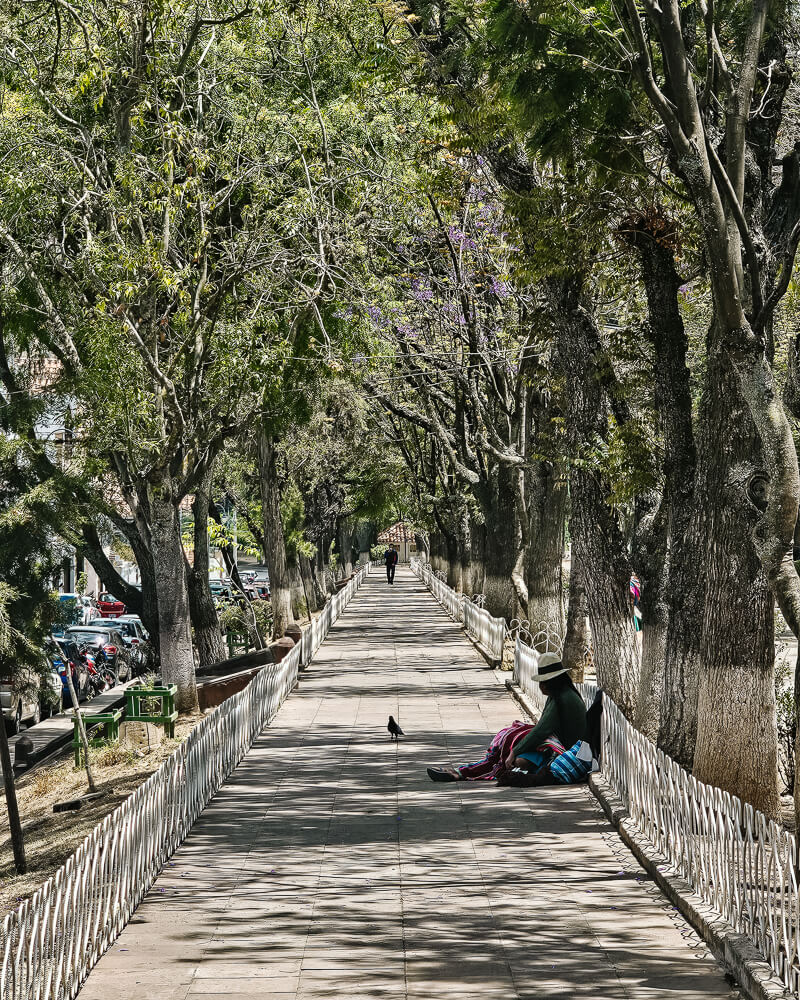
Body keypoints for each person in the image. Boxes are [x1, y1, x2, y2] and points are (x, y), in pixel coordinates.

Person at [427, 653, 590, 787]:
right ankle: (461, 771)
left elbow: (541, 731)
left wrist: (514, 751)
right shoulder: (561, 695)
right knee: (510, 746)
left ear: (550, 682)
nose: (540, 686)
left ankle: (461, 773)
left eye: (542, 682)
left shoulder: (562, 699)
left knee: (517, 760)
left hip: (564, 753)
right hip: (557, 747)